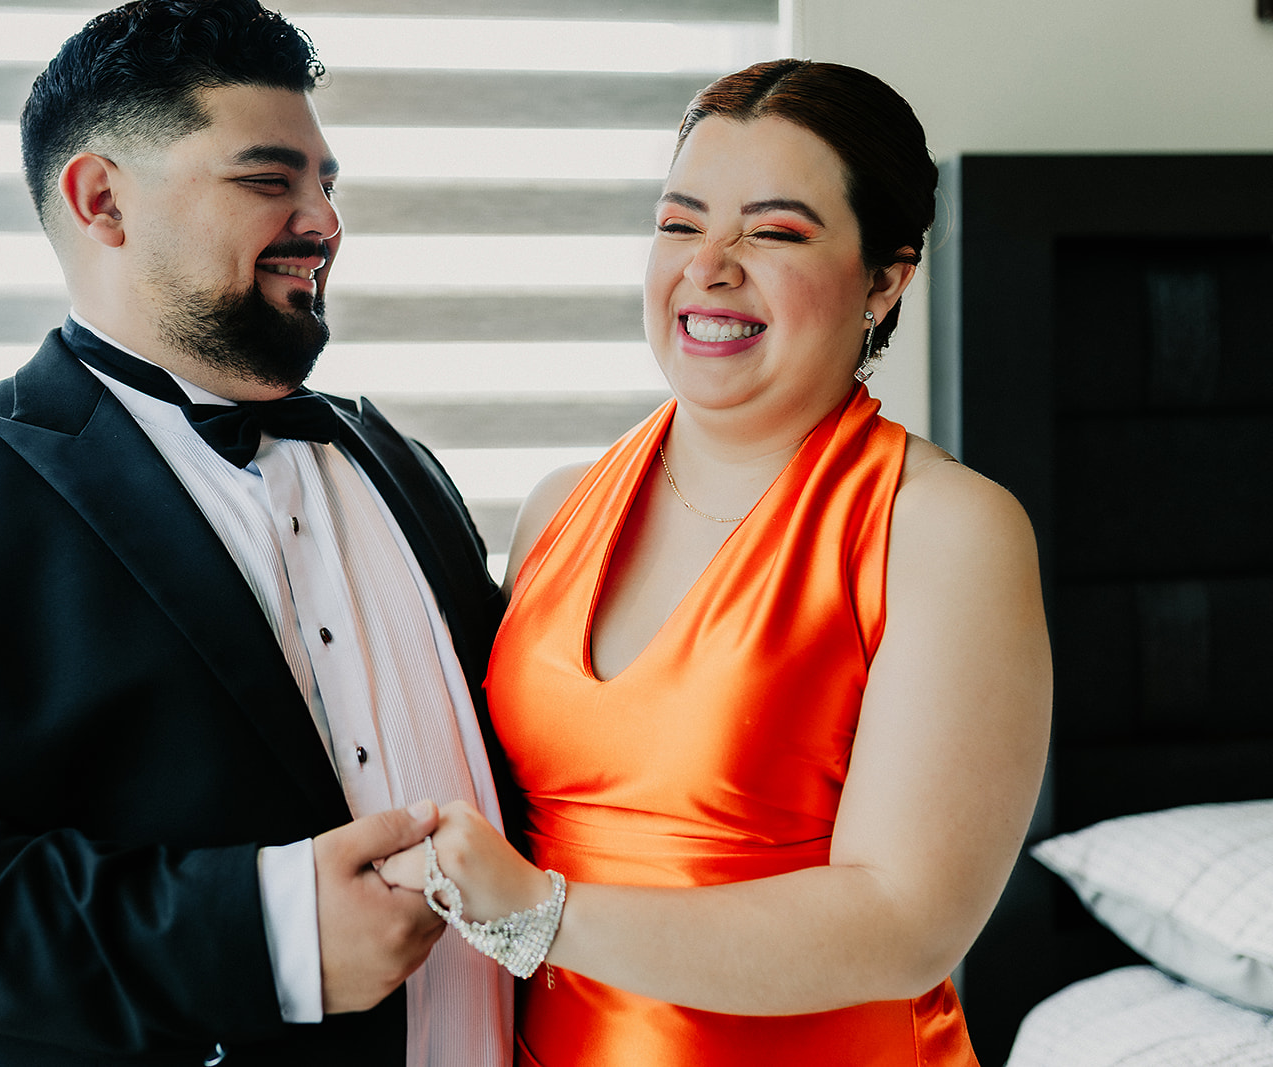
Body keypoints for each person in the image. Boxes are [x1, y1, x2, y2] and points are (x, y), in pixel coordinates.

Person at [0, 3, 516, 1065]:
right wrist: (266, 932)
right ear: (101, 200)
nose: (324, 220)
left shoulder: (401, 463)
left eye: (327, 183)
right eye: (269, 179)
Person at [378, 59, 1054, 1065]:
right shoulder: (559, 506)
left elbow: (907, 924)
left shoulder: (944, 529)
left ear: (885, 278)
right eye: (679, 223)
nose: (709, 266)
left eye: (773, 233)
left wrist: (539, 913)